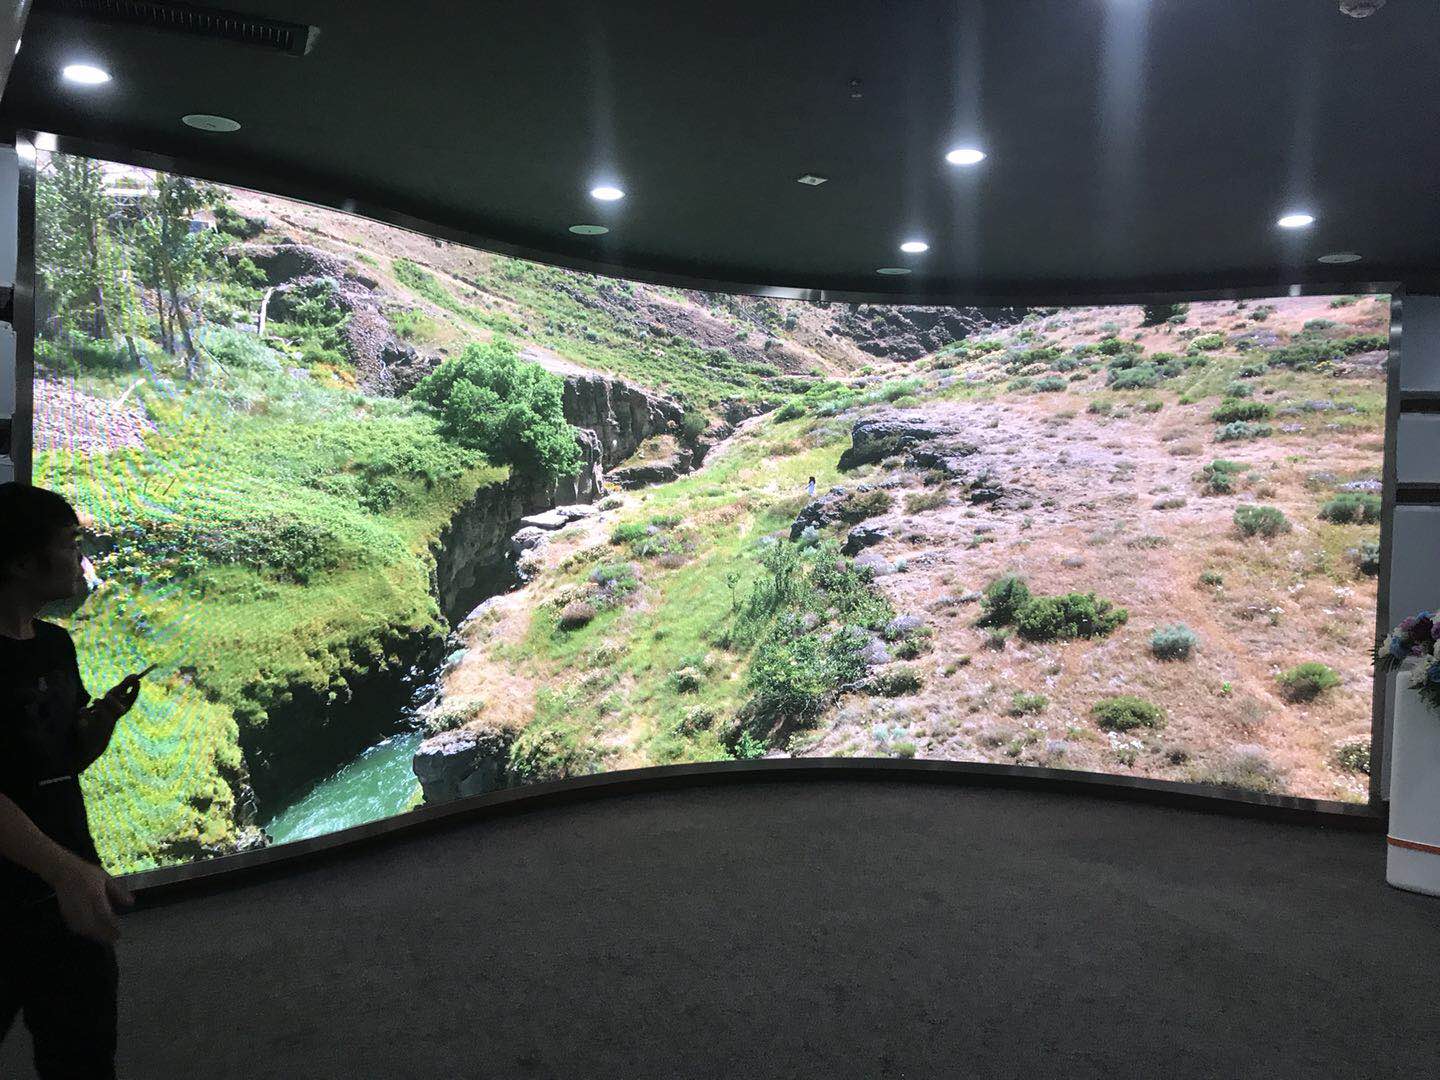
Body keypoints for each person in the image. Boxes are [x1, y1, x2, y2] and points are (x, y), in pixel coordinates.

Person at [1, 482, 145, 1079]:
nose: (79, 558)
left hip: (69, 886)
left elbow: (62, 762)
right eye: (68, 544)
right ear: (20, 561)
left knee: (83, 1055)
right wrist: (64, 870)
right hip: (34, 886)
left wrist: (102, 720)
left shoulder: (56, 646)